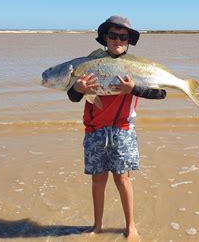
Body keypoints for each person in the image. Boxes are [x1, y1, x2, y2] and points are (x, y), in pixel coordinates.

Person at [67, 16, 166, 238]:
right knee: (98, 179)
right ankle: (97, 225)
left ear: (128, 41)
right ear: (104, 38)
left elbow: (161, 93)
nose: (117, 40)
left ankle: (131, 226)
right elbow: (73, 97)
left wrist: (133, 89)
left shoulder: (136, 68)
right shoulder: (90, 65)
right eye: (112, 35)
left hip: (123, 130)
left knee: (122, 178)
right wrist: (78, 88)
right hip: (94, 131)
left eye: (123, 37)